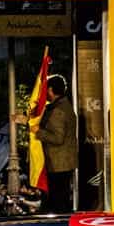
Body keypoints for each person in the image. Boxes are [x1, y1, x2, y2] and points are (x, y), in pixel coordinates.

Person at [31, 73, 79, 213]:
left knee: (58, 201)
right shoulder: (62, 106)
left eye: (46, 89)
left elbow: (58, 138)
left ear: (51, 90)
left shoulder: (58, 111)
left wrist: (38, 131)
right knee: (58, 199)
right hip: (61, 163)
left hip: (58, 164)